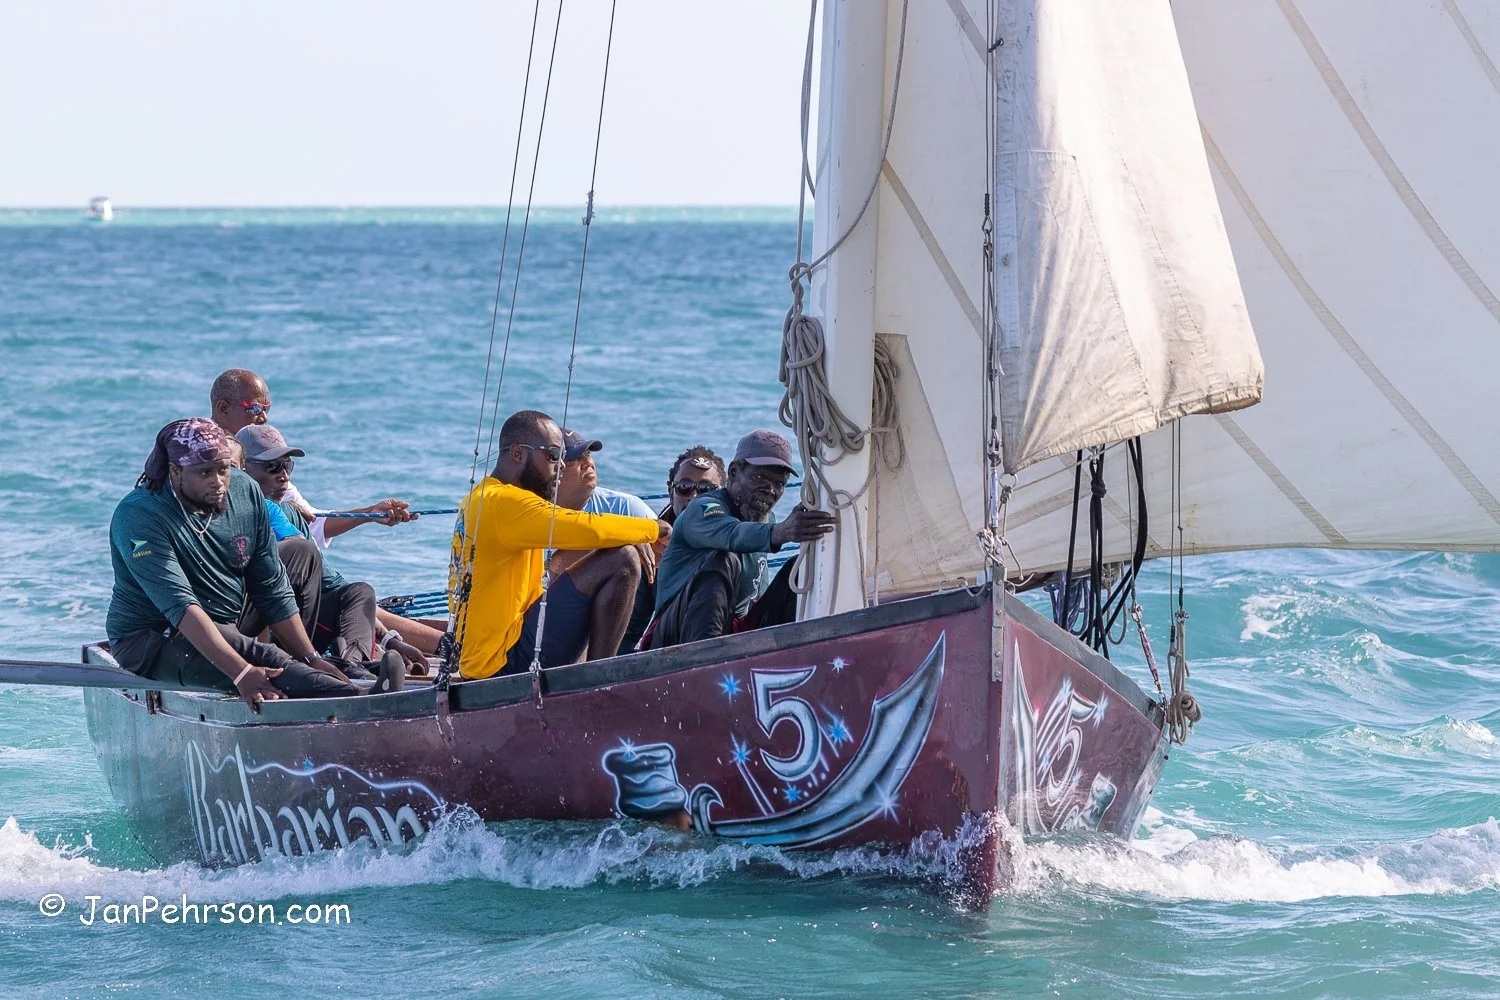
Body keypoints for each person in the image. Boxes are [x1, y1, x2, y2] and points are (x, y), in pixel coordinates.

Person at [106, 419, 360, 710]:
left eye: (223, 470)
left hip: (227, 616)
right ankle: (358, 699)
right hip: (157, 636)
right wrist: (241, 673)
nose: (218, 482)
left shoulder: (244, 490)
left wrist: (310, 657)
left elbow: (271, 586)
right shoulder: (139, 516)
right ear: (175, 472)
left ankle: (350, 680)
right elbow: (182, 608)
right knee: (269, 661)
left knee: (300, 554)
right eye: (204, 473)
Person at [448, 409, 668, 679]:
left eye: (564, 457)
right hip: (502, 663)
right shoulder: (504, 503)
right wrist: (653, 529)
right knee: (623, 560)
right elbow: (584, 527)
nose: (561, 465)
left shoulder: (481, 496)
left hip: (485, 656)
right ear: (517, 454)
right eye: (553, 455)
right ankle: (597, 682)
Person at [236, 424, 426, 673]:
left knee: (358, 592)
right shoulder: (234, 512)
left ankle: (354, 666)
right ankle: (321, 667)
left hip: (301, 625)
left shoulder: (289, 514)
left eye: (287, 466)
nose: (284, 475)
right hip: (258, 629)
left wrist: (389, 638)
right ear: (242, 469)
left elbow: (332, 583)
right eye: (272, 467)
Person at [646, 430, 835, 650]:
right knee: (723, 558)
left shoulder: (767, 521)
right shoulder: (702, 508)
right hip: (676, 636)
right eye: (759, 478)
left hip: (735, 629)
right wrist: (781, 532)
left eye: (779, 484)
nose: (770, 490)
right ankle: (704, 660)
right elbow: (732, 534)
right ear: (734, 473)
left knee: (800, 567)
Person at [208, 368, 415, 543]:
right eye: (254, 408)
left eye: (266, 408)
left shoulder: (266, 461)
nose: (264, 418)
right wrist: (281, 510)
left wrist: (370, 513)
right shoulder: (195, 452)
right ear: (223, 408)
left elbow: (314, 521)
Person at [617, 445, 726, 654]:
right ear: (671, 492)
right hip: (671, 649)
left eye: (707, 490)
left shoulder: (742, 537)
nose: (694, 498)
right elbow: (629, 632)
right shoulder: (652, 549)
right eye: (684, 487)